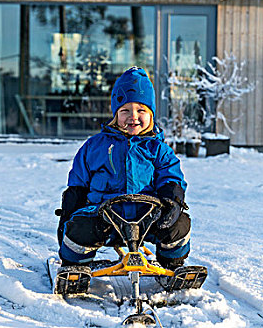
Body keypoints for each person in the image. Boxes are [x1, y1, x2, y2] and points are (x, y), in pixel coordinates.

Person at [56, 67, 190, 277]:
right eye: (125, 110)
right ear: (116, 113)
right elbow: (78, 184)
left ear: (151, 114)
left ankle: (171, 264)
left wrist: (172, 202)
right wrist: (68, 216)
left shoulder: (158, 149)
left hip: (149, 218)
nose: (133, 117)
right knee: (79, 229)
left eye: (141, 110)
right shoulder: (95, 147)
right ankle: (75, 266)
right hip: (103, 218)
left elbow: (171, 177)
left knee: (179, 224)